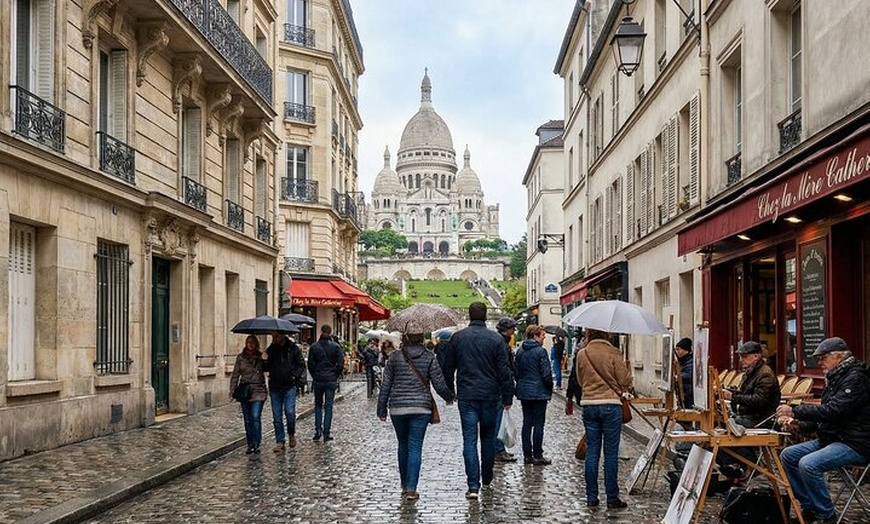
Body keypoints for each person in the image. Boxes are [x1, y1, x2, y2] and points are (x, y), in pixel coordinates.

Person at [777, 337, 870, 524]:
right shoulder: (836, 377)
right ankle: (809, 506)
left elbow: (833, 411)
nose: (820, 363)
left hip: (855, 442)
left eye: (823, 358)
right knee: (788, 455)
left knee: (808, 464)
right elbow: (827, 416)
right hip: (833, 438)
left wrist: (795, 410)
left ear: (838, 356)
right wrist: (799, 423)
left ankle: (825, 515)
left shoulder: (855, 379)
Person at [441, 302, 514, 500]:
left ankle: (473, 485)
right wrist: (508, 396)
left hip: (468, 395)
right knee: (488, 438)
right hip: (490, 395)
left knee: (469, 440)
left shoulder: (458, 337)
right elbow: (504, 371)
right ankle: (487, 476)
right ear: (485, 315)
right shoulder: (496, 339)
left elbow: (448, 368)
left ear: (470, 315)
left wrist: (451, 391)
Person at [377, 332, 455, 501]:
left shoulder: (395, 357)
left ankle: (404, 484)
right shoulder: (429, 357)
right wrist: (449, 397)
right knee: (415, 447)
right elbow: (439, 383)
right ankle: (412, 488)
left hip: (398, 407)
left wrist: (381, 409)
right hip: (421, 408)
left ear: (405, 338)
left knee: (402, 445)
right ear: (421, 338)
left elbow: (386, 385)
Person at [576, 328, 633, 509]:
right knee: (610, 453)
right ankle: (612, 497)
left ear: (590, 334)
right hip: (610, 404)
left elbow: (579, 380)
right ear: (606, 334)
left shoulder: (582, 354)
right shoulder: (613, 352)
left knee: (592, 452)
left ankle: (591, 497)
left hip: (589, 405)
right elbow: (625, 381)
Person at [515, 325, 554, 465]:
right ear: (535, 336)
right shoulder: (540, 351)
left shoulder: (520, 351)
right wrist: (549, 387)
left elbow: (516, 372)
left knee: (527, 423)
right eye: (542, 335)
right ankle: (537, 454)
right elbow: (546, 374)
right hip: (539, 392)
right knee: (538, 424)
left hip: (524, 392)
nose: (544, 337)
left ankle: (527, 455)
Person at [262, 331, 307, 452]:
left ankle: (291, 434)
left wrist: (294, 376)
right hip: (275, 387)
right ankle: (280, 441)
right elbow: (265, 368)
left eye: (275, 336)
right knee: (277, 416)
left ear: (282, 336)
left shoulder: (293, 349)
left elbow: (301, 365)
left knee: (289, 412)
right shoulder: (271, 349)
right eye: (272, 336)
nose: (273, 338)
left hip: (289, 386)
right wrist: (265, 360)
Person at [229, 335, 268, 454]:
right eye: (248, 342)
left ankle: (256, 443)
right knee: (247, 419)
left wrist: (265, 360)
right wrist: (232, 391)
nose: (250, 344)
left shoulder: (260, 357)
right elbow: (235, 375)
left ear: (256, 344)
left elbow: (268, 369)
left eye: (252, 342)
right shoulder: (240, 358)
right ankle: (250, 444)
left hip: (259, 390)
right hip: (245, 391)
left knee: (255, 416)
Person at [307, 324, 344, 442]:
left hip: (318, 378)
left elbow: (310, 365)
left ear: (321, 331)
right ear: (330, 332)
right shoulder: (336, 347)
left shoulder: (314, 347)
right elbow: (340, 364)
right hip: (330, 379)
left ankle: (318, 429)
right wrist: (335, 374)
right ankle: (326, 432)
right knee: (328, 406)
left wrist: (315, 374)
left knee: (318, 405)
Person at [494, 317, 518, 463]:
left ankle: (499, 448)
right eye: (512, 329)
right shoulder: (502, 344)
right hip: (499, 388)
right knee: (498, 421)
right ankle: (498, 450)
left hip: (495, 387)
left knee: (498, 420)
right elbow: (505, 370)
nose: (514, 331)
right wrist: (508, 394)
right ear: (506, 329)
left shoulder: (500, 342)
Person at [674, 337, 694, 408]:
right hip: (684, 393)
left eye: (679, 349)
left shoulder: (690, 361)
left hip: (689, 393)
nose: (677, 351)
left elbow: (689, 374)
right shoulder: (683, 360)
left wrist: (678, 377)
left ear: (685, 350)